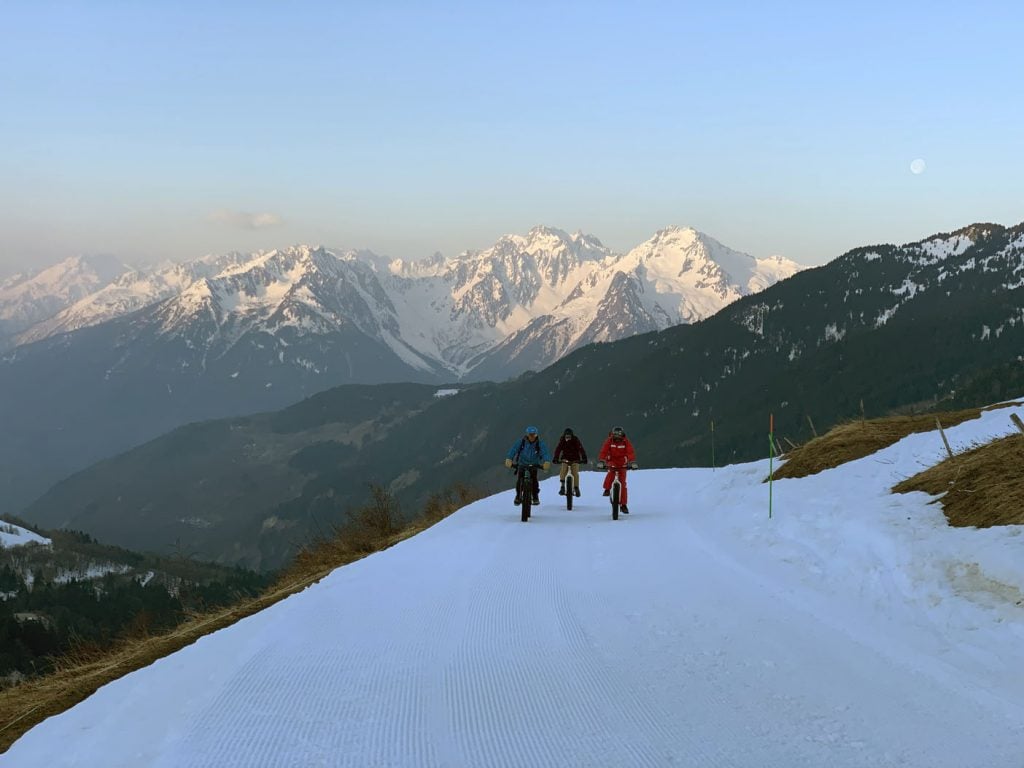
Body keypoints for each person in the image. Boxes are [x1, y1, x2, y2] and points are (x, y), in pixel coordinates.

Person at [504, 426, 551, 505]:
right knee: (520, 481)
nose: (532, 437)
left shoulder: (540, 444)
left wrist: (546, 461)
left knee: (534, 481)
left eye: (534, 435)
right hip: (522, 464)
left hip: (534, 465)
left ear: (536, 435)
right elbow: (513, 450)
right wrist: (509, 458)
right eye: (530, 435)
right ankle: (518, 496)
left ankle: (535, 496)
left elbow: (544, 452)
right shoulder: (521, 442)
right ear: (527, 435)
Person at [598, 425, 636, 514]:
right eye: (615, 434)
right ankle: (607, 489)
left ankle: (623, 505)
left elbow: (630, 451)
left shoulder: (625, 442)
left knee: (622, 484)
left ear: (622, 434)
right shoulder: (609, 441)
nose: (617, 436)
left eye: (619, 434)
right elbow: (604, 450)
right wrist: (601, 461)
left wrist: (633, 462)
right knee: (611, 473)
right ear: (613, 434)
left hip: (622, 463)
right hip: (612, 461)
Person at [552, 427, 588, 497]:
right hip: (565, 459)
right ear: (564, 435)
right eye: (566, 436)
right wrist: (556, 457)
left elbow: (581, 448)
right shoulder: (562, 440)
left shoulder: (575, 440)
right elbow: (558, 449)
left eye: (569, 436)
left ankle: (576, 488)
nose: (568, 438)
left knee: (575, 473)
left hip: (575, 459)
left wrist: (584, 457)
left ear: (572, 436)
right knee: (563, 470)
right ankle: (562, 486)